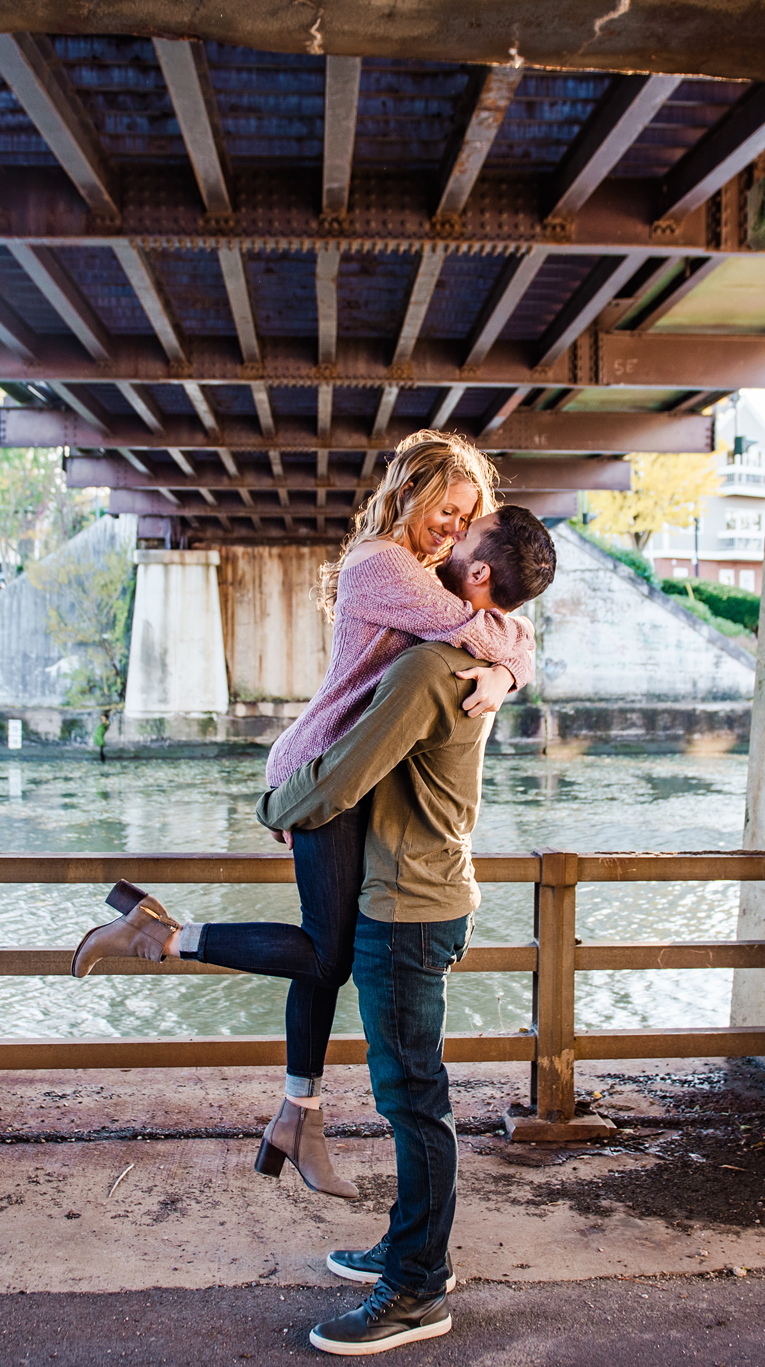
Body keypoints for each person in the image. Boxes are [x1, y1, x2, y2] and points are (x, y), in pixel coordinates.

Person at [68, 431, 536, 1200]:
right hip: (320, 770)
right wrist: (509, 664)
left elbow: (502, 620)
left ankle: (299, 1112)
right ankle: (161, 936)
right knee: (329, 955)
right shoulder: (382, 565)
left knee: (327, 951)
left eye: (467, 516)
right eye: (447, 510)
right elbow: (490, 625)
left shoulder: (420, 572)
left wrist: (506, 664)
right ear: (412, 491)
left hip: (347, 774)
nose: (455, 528)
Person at [260, 505, 558, 1355]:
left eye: (461, 540)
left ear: (476, 580)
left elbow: (344, 779)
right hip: (441, 894)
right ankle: (411, 1246)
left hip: (404, 910)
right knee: (416, 1092)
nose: (442, 544)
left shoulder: (429, 667)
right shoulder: (476, 658)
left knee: (412, 1100)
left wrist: (271, 804)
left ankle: (419, 1288)